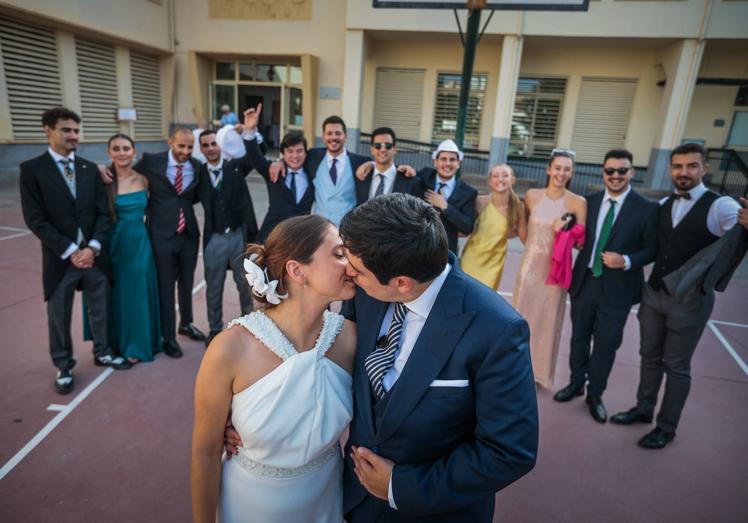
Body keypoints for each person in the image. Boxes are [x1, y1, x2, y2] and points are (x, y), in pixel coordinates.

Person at [338, 193, 537, 522]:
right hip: (354, 502)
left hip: (433, 512)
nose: (348, 273)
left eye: (356, 270)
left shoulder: (498, 329)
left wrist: (401, 487)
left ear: (402, 283)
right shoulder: (367, 290)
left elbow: (509, 451)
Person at [191, 215, 357, 522]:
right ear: (296, 270)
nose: (350, 263)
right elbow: (205, 452)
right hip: (251, 505)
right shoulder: (231, 348)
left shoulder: (350, 339)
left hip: (326, 499)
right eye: (337, 254)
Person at [611, 143, 747, 449]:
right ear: (670, 168)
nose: (683, 172)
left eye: (691, 166)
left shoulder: (719, 206)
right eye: (677, 166)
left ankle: (666, 427)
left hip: (690, 302)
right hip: (654, 295)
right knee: (648, 357)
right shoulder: (663, 205)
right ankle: (643, 409)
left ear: (704, 168)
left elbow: (740, 229)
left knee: (676, 366)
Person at [20, 108, 131, 394]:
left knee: (100, 308)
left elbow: (103, 214)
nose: (72, 136)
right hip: (61, 259)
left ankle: (103, 351)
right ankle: (63, 365)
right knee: (59, 314)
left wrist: (92, 247)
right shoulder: (32, 170)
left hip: (93, 256)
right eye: (66, 130)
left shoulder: (87, 168)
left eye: (75, 131)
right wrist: (70, 250)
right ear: (48, 129)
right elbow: (35, 219)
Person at [553, 149, 658, 423]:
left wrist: (625, 260)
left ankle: (595, 393)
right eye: (609, 171)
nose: (615, 176)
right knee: (578, 339)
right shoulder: (589, 201)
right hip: (585, 282)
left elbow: (652, 249)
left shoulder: (647, 208)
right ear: (603, 172)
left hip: (618, 289)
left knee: (606, 345)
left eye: (621, 171)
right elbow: (577, 236)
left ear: (631, 173)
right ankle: (576, 384)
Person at [512, 149, 587, 388]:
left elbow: (581, 242)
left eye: (566, 169)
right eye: (558, 168)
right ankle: (514, 368)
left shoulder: (578, 202)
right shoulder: (532, 195)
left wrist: (565, 232)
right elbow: (524, 232)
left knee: (548, 321)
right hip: (530, 267)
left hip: (555, 272)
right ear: (548, 169)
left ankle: (538, 374)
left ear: (571, 172)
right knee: (521, 319)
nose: (561, 173)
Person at [133, 127, 207, 356]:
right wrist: (102, 170)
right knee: (165, 286)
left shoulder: (197, 167)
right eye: (181, 146)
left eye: (189, 146)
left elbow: (192, 196)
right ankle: (168, 337)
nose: (185, 151)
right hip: (160, 234)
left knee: (186, 283)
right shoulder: (151, 161)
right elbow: (125, 172)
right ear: (170, 143)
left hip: (188, 235)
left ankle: (185, 324)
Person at [99, 134, 162, 363]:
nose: (122, 152)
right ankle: (117, 343)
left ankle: (139, 344)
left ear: (134, 152)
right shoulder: (104, 179)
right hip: (114, 243)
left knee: (137, 293)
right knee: (118, 295)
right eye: (116, 148)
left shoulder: (144, 180)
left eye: (126, 148)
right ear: (109, 153)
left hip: (139, 242)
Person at [197, 128, 259, 346]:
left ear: (219, 145)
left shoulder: (234, 167)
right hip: (213, 238)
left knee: (244, 284)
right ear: (201, 149)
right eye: (205, 145)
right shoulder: (198, 172)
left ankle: (248, 324)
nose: (211, 148)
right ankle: (215, 328)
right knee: (214, 287)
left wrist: (250, 131)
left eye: (214, 143)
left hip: (237, 235)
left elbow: (253, 156)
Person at [271, 115, 371, 227]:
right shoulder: (314, 156)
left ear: (345, 136)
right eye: (329, 133)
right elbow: (295, 158)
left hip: (347, 229)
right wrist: (280, 161)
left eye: (338, 133)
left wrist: (372, 164)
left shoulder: (359, 162)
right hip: (320, 229)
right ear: (323, 137)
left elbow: (382, 166)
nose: (333, 137)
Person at [242, 104, 315, 242]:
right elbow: (255, 157)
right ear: (283, 153)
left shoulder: (313, 173)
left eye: (299, 151)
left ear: (306, 152)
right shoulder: (273, 170)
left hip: (300, 240)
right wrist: (250, 131)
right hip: (271, 237)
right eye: (290, 151)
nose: (295, 156)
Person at [460, 163, 526, 290]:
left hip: (494, 263)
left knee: (485, 301)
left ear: (512, 180)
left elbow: (524, 237)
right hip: (471, 259)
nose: (500, 179)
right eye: (496, 176)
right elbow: (464, 226)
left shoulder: (518, 208)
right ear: (490, 182)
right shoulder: (480, 202)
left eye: (505, 175)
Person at [418, 139, 478, 254]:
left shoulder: (468, 192)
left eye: (452, 160)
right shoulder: (424, 177)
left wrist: (445, 206)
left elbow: (468, 226)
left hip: (445, 252)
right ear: (435, 162)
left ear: (458, 164)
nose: (448, 164)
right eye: (443, 159)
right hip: (417, 248)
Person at [352, 127, 423, 202]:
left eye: (388, 145)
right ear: (372, 150)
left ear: (395, 149)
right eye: (378, 146)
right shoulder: (361, 177)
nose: (383, 150)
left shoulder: (411, 182)